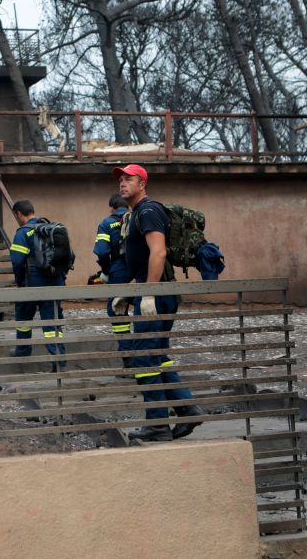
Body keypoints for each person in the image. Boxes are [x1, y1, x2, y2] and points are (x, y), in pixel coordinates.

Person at [111, 164, 204, 442]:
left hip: (157, 294)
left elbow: (159, 252)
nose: (123, 184)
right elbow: (142, 261)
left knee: (144, 358)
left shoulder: (149, 211)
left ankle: (157, 424)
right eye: (121, 180)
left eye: (129, 179)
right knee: (157, 355)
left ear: (143, 184)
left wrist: (149, 293)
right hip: (152, 290)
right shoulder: (136, 213)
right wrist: (131, 290)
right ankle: (186, 409)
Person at [8, 199, 66, 369]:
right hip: (54, 283)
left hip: (30, 283)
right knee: (52, 323)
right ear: (32, 211)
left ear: (19, 214)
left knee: (24, 318)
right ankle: (59, 361)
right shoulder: (52, 229)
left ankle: (23, 352)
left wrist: (20, 282)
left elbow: (17, 262)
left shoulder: (23, 232)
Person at [94, 194, 132, 368]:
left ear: (112, 208)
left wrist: (106, 270)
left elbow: (102, 251)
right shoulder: (137, 217)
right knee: (143, 306)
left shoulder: (107, 223)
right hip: (142, 270)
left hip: (119, 270)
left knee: (116, 310)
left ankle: (128, 359)